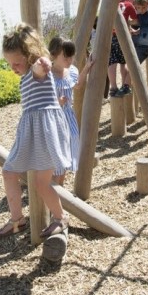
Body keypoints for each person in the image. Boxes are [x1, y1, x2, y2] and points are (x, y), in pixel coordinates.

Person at [0, 24, 73, 239]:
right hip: (31, 132)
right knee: (10, 172)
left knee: (40, 182)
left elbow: (40, 67)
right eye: (9, 64)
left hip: (45, 132)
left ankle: (60, 218)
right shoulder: (25, 77)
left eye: (16, 63)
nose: (13, 68)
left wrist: (43, 64)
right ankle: (17, 219)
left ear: (29, 56)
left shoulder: (37, 71)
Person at [48, 36, 94, 186]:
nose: (69, 60)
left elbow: (78, 85)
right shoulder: (48, 76)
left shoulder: (72, 71)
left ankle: (58, 187)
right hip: (54, 119)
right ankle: (55, 190)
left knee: (69, 149)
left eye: (71, 57)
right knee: (57, 155)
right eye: (65, 57)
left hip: (68, 117)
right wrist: (56, 102)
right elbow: (41, 101)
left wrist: (87, 67)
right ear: (54, 55)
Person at [108, 0, 137, 97]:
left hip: (111, 36)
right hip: (122, 36)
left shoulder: (113, 3)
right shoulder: (129, 5)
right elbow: (135, 20)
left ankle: (113, 87)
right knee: (124, 62)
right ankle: (125, 85)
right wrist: (129, 25)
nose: (133, 1)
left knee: (112, 62)